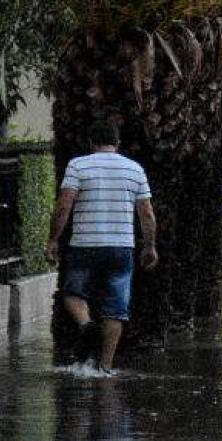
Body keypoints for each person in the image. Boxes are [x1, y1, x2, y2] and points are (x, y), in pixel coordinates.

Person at [47, 120, 158, 374]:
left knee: (73, 294)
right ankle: (105, 368)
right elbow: (147, 214)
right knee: (116, 309)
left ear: (91, 143)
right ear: (117, 144)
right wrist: (149, 247)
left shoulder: (78, 165)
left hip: (84, 245)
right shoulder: (135, 169)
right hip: (121, 249)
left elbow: (64, 206)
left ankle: (86, 325)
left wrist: (53, 239)